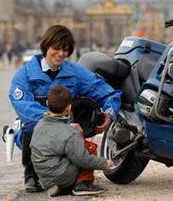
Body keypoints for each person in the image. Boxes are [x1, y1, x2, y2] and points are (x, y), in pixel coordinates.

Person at [9, 25, 122, 193]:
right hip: (35, 132)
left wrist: (110, 114)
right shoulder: (25, 74)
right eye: (57, 48)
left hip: (67, 129)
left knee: (84, 129)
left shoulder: (75, 72)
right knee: (31, 128)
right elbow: (22, 105)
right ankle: (31, 175)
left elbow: (106, 92)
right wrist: (58, 125)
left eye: (65, 50)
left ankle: (73, 178)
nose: (61, 54)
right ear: (46, 46)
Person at [30, 85, 114, 197]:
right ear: (69, 108)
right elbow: (82, 159)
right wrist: (104, 163)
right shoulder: (70, 133)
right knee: (88, 148)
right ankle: (82, 184)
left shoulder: (39, 125)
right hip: (62, 174)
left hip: (44, 177)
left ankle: (56, 186)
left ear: (47, 103)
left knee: (63, 153)